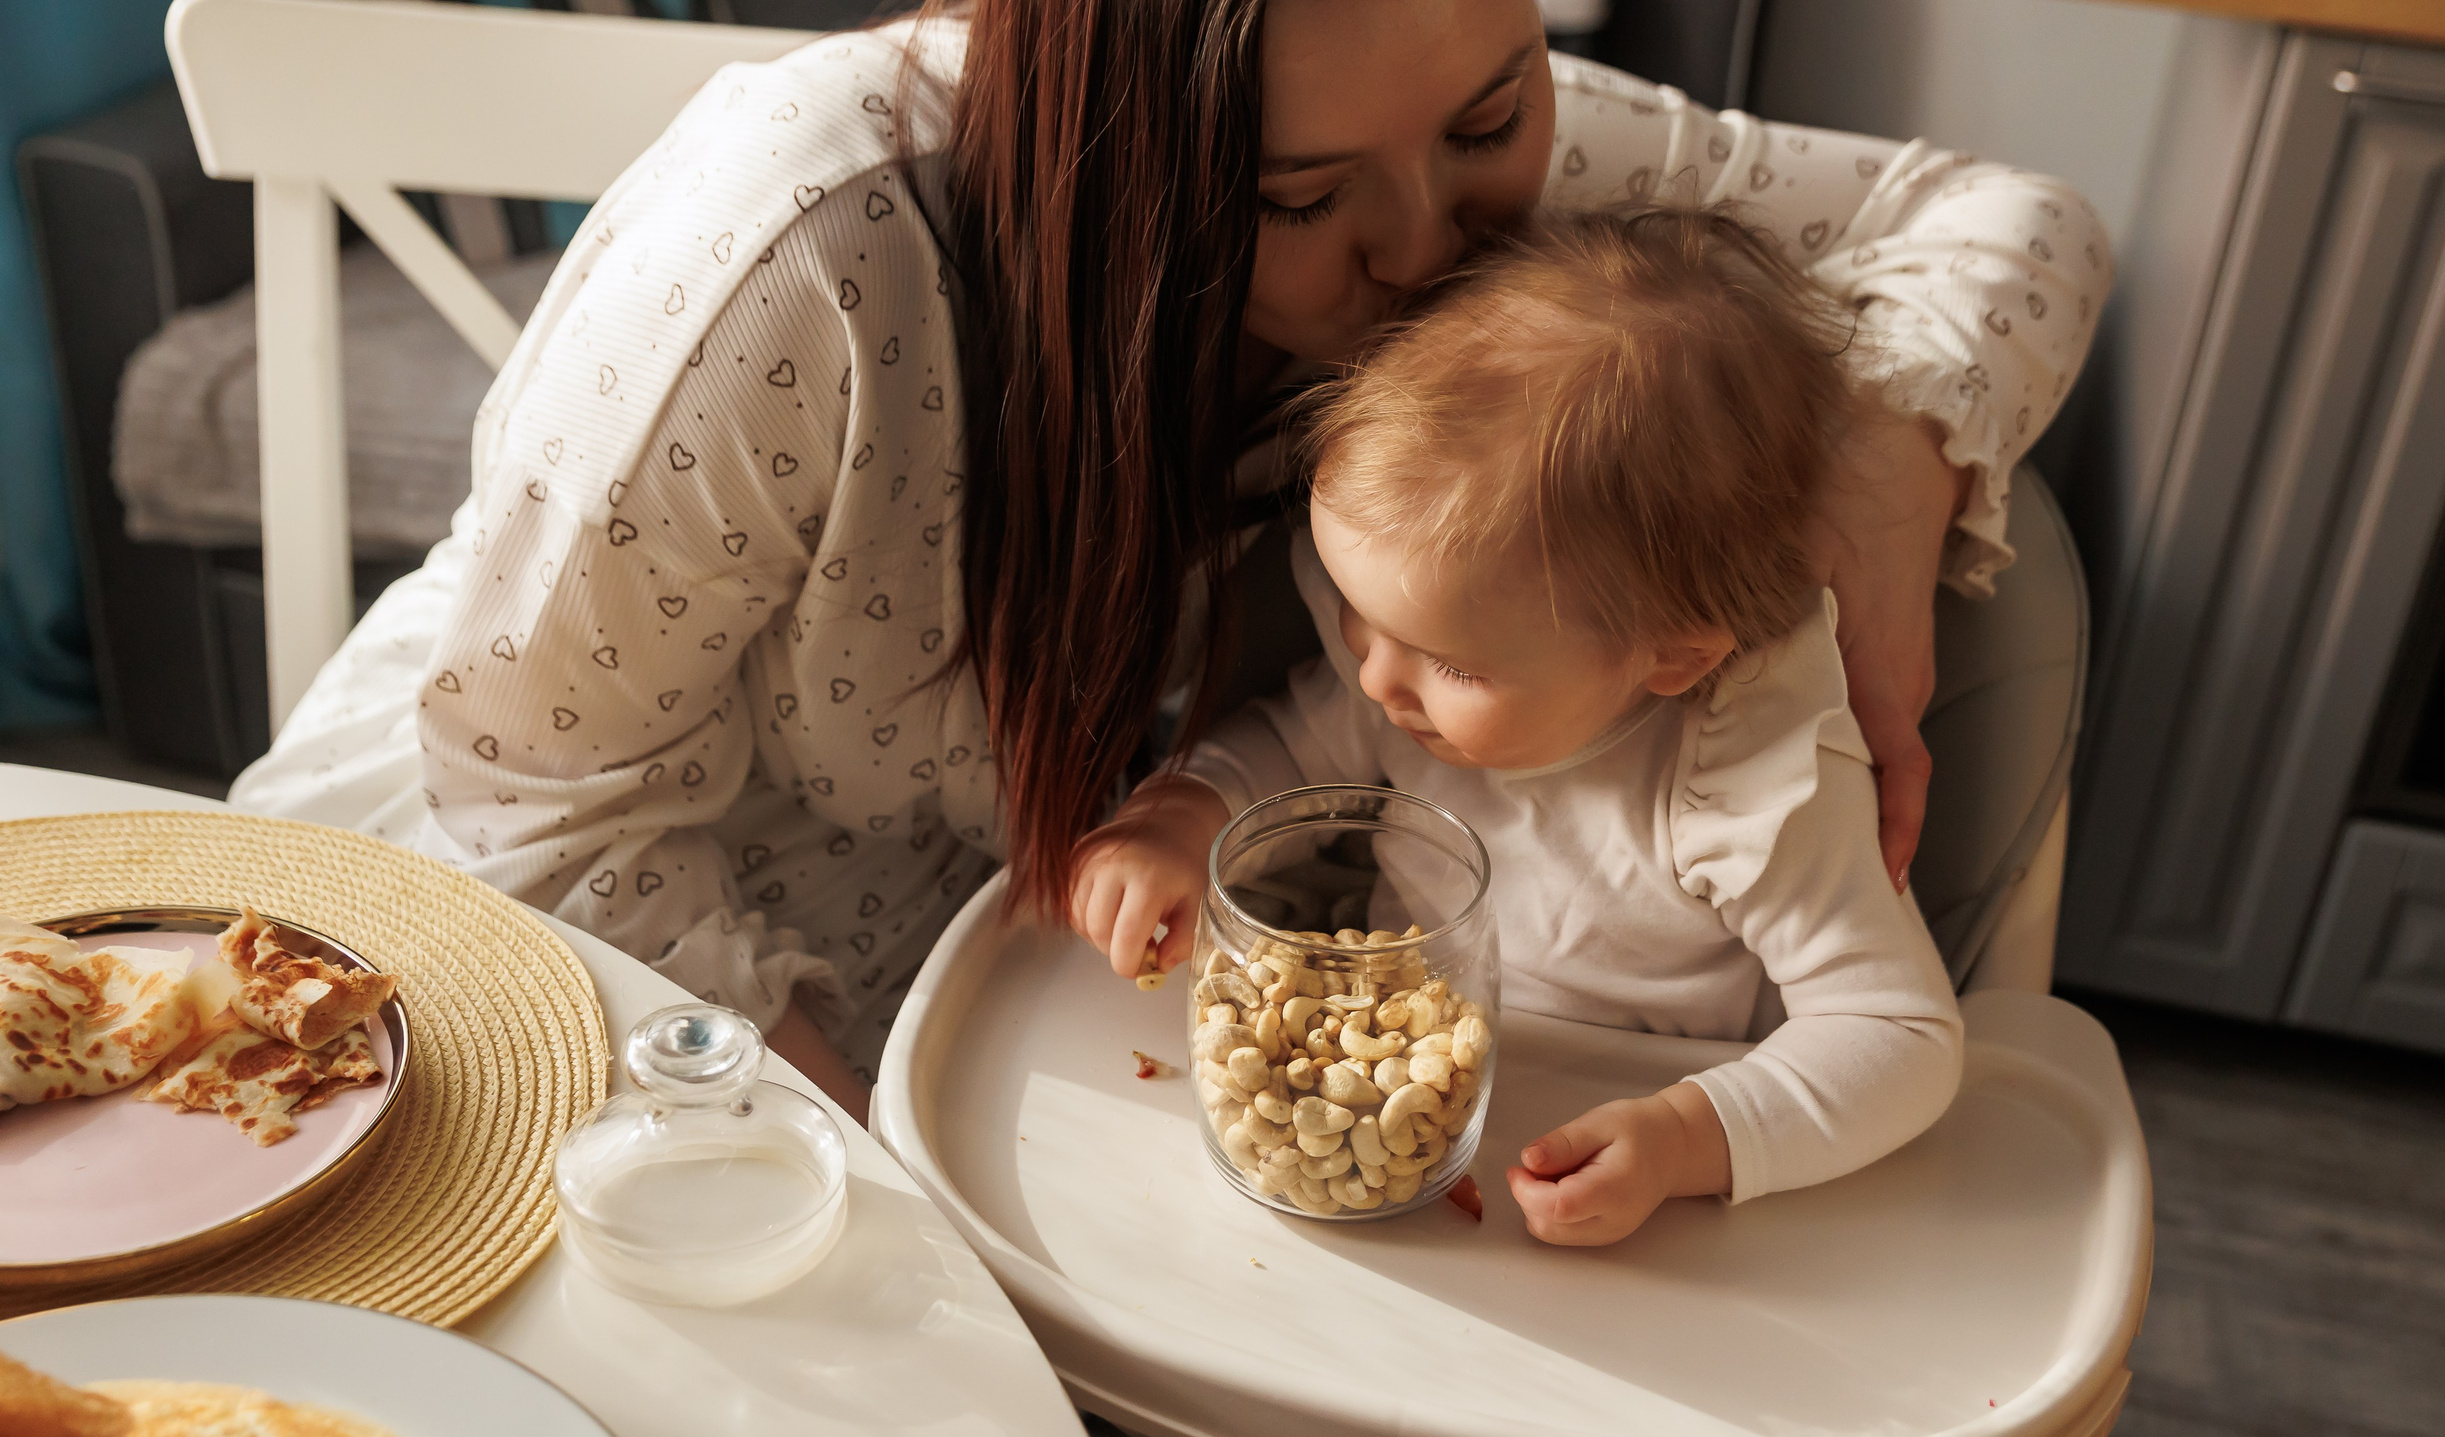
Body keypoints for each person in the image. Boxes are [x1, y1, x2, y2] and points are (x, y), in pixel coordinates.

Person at [229, 0, 2111, 1146]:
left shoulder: (1452, 150)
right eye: (1296, 202)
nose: (1429, 250)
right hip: (604, 936)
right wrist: (885, 1160)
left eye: (1493, 119)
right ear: (1110, 159)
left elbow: (2010, 219)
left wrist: (1886, 450)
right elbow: (545, 793)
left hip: (1078, 970)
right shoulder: (804, 251)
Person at [1066, 208, 1962, 1437]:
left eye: (1448, 662)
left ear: (1669, 653)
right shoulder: (1419, 655)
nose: (1377, 674)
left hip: (1623, 1250)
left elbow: (1901, 1033)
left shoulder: (1742, 779)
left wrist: (1690, 1135)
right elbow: (1298, 739)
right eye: (1359, 611)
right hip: (1383, 1175)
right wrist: (1181, 811)